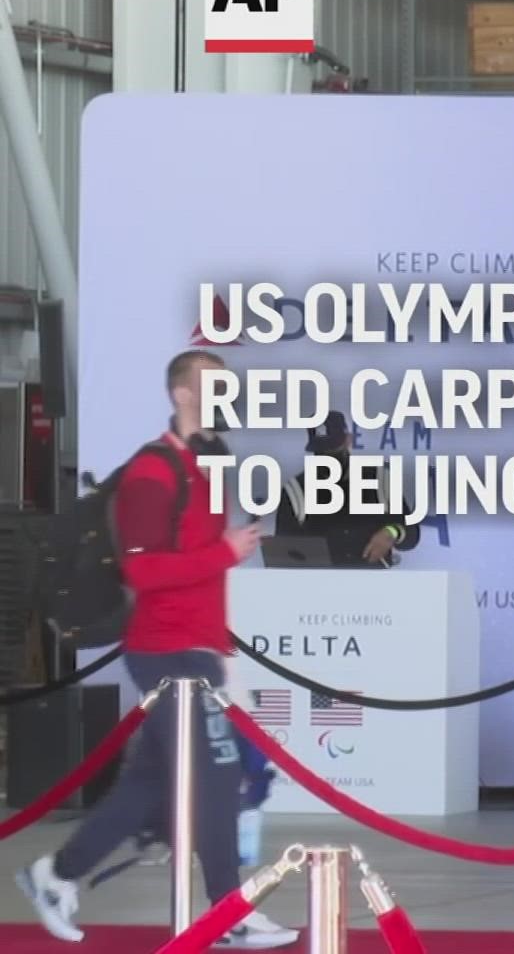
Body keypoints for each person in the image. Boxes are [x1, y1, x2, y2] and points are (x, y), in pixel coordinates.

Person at [15, 350, 299, 949]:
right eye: (211, 384)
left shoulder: (207, 467)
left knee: (148, 784)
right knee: (220, 773)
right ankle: (229, 913)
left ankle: (56, 874)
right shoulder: (153, 473)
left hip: (201, 649)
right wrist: (225, 552)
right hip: (168, 653)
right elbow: (143, 574)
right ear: (181, 394)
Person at [274, 410, 419, 565]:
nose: (328, 456)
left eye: (333, 448)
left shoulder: (379, 478)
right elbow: (283, 555)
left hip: (374, 583)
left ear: (348, 440)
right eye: (321, 451)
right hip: (318, 584)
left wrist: (391, 532)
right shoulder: (295, 489)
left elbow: (412, 535)